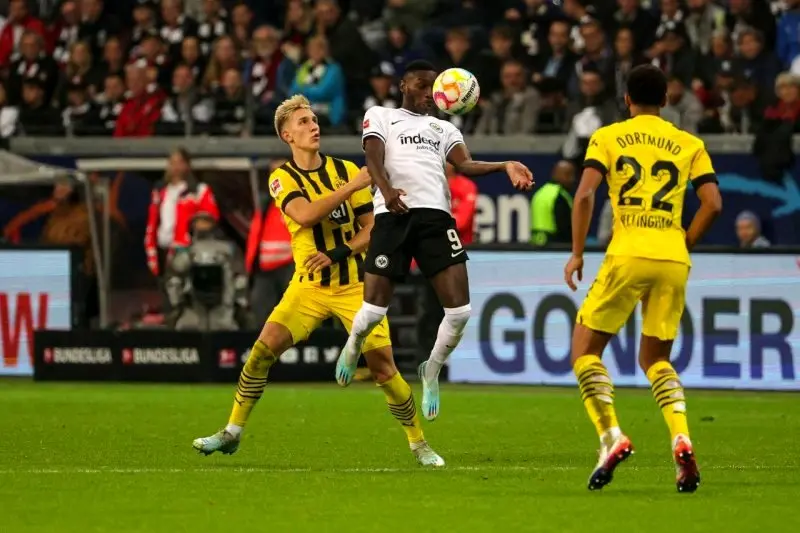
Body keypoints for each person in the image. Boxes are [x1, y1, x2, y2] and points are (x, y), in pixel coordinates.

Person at [193, 95, 445, 467]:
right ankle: (232, 432)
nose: (313, 126)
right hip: (308, 287)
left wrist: (340, 251)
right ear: (287, 135)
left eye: (314, 120)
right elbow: (306, 215)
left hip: (355, 286)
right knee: (261, 352)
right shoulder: (282, 178)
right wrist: (351, 186)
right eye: (303, 122)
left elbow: (372, 228)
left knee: (383, 370)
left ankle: (419, 443)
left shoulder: (345, 169)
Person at [336, 60, 534, 422]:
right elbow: (373, 157)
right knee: (374, 311)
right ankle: (354, 343)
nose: (430, 93)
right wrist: (387, 191)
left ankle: (432, 369)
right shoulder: (380, 115)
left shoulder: (444, 128)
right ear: (403, 85)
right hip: (392, 215)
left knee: (460, 313)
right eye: (422, 85)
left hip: (435, 219)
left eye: (434, 87)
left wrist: (505, 164)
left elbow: (465, 165)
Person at [564, 64, 723, 493]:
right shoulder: (690, 143)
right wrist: (685, 241)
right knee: (656, 360)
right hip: (672, 255)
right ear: (666, 100)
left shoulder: (608, 137)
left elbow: (585, 194)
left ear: (627, 99)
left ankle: (611, 435)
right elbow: (713, 203)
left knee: (584, 350)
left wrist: (577, 253)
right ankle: (681, 438)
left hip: (629, 250)